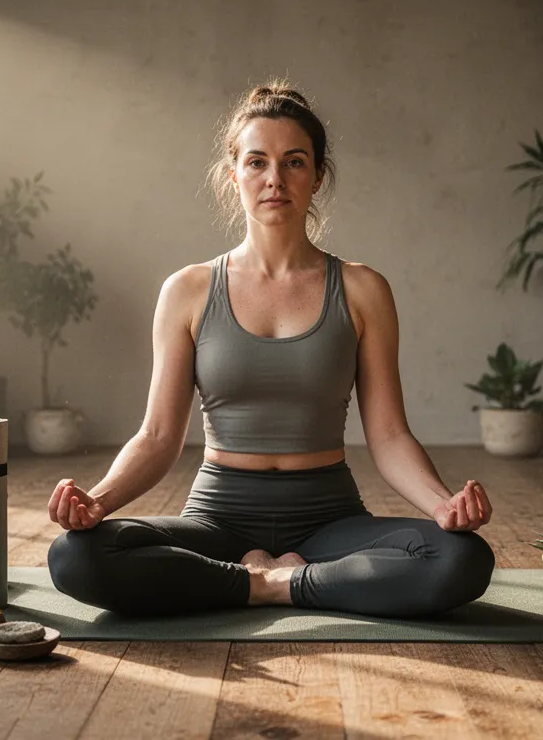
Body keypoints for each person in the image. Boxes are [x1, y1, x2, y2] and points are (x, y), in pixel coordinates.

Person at [46, 81, 495, 618]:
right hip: (218, 519)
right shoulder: (187, 290)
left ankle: (275, 583)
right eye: (257, 162)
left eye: (294, 162)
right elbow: (159, 436)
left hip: (330, 519)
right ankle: (270, 583)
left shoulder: (361, 289)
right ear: (233, 173)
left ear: (318, 175)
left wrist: (442, 506)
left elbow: (390, 434)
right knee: (75, 556)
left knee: (460, 558)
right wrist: (99, 501)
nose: (274, 179)